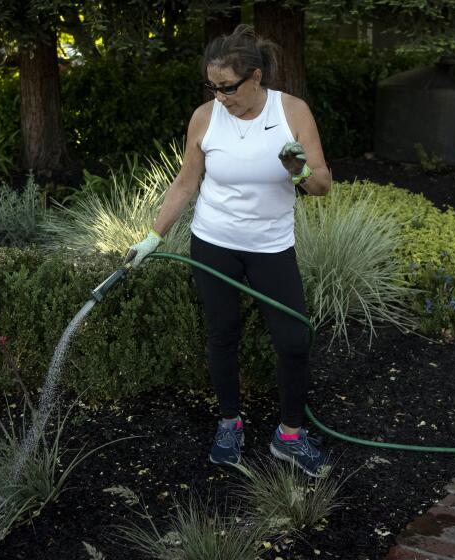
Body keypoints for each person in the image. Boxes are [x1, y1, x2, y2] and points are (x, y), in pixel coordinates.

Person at [127, 24, 332, 478]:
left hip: (271, 245)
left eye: (228, 87)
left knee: (293, 341)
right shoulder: (205, 117)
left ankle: (290, 437)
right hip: (214, 242)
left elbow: (322, 185)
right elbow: (186, 183)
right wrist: (153, 236)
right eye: (212, 87)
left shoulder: (292, 111)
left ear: (256, 77)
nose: (220, 96)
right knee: (223, 334)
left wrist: (296, 169)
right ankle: (228, 423)